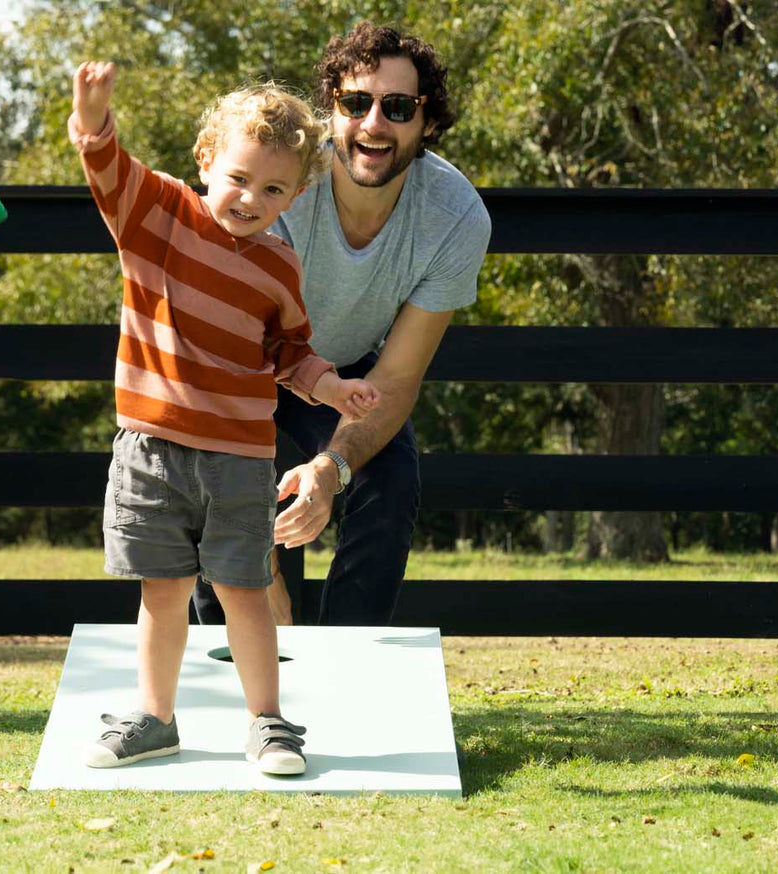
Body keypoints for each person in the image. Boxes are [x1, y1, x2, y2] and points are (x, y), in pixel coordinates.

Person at [68, 61, 380, 776]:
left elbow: (288, 353)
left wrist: (330, 388)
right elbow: (107, 167)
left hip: (239, 459)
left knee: (245, 589)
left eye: (272, 189)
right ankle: (153, 718)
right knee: (162, 591)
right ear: (206, 161)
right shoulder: (156, 216)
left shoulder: (279, 267)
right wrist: (92, 120)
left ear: (295, 196)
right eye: (238, 178)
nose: (249, 198)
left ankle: (268, 723)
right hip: (150, 450)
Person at [192, 22, 492, 628]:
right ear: (333, 110)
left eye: (399, 106)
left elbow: (398, 379)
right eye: (356, 102)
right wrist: (262, 573)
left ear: (428, 123)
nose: (374, 123)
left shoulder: (455, 216)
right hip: (233, 369)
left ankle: (349, 676)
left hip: (345, 370)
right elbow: (219, 366)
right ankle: (225, 678)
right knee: (215, 491)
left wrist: (331, 469)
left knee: (389, 477)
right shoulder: (276, 184)